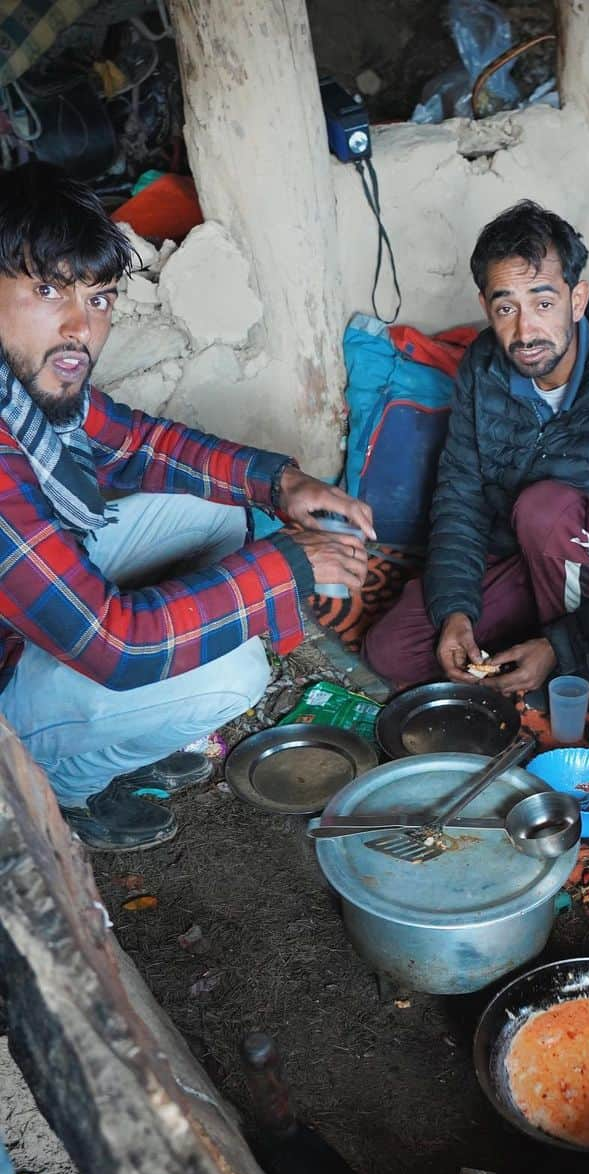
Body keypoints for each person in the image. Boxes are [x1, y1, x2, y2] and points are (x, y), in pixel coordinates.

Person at [0, 164, 374, 851]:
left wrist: (279, 484)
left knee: (214, 512)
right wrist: (288, 562)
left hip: (20, 627)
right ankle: (61, 787)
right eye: (47, 290)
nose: (82, 327)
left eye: (101, 297)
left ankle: (117, 735)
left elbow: (138, 443)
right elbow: (116, 645)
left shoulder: (21, 390)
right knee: (236, 674)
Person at [362, 199, 589, 695]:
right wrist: (455, 609)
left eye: (543, 303)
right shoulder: (483, 366)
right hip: (516, 549)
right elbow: (461, 495)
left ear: (577, 300)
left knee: (544, 509)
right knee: (390, 655)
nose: (524, 331)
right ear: (486, 309)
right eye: (506, 308)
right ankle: (526, 640)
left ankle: (568, 663)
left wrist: (560, 646)